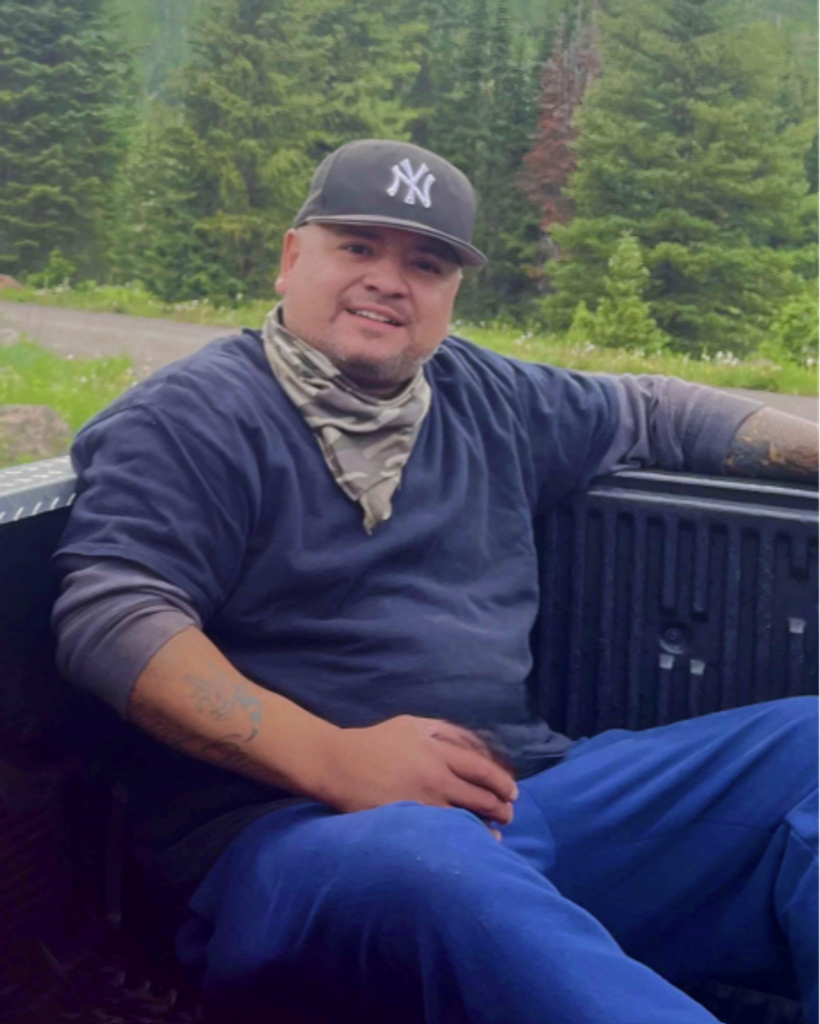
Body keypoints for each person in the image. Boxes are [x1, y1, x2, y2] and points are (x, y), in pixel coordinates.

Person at [52, 139, 819, 1024]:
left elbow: (660, 410)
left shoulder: (489, 395)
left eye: (426, 263)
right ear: (291, 257)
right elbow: (113, 620)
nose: (389, 281)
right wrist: (334, 760)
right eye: (358, 247)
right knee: (429, 857)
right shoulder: (193, 417)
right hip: (303, 842)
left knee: (806, 748)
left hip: (522, 798)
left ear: (453, 292)